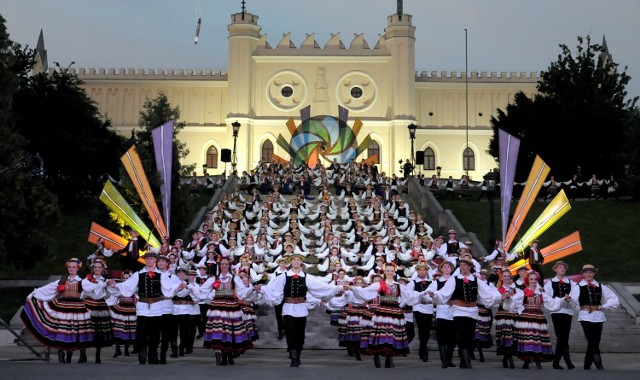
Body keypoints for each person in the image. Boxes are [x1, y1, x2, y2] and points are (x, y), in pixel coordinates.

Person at [253, 253, 342, 367]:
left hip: (301, 308)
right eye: (294, 260)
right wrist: (261, 289)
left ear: (301, 262)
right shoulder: (284, 276)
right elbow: (273, 288)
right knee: (290, 333)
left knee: (300, 335)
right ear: (291, 262)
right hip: (288, 308)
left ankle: (297, 354)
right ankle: (293, 358)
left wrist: (338, 288)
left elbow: (320, 287)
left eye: (298, 260)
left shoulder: (306, 277)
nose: (296, 261)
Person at [107, 252, 185, 365]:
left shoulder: (161, 275)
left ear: (155, 260)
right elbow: (127, 286)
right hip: (142, 308)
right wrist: (116, 285)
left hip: (157, 308)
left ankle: (152, 354)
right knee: (142, 334)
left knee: (155, 335)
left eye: (151, 258)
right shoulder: (138, 274)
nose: (149, 260)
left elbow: (169, 287)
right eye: (147, 258)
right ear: (145, 260)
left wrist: (178, 287)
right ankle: (142, 355)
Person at [428, 254, 501, 368]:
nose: (462, 267)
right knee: (462, 333)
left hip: (472, 310)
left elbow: (487, 292)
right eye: (461, 265)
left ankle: (463, 361)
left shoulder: (476, 280)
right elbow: (445, 291)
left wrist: (497, 296)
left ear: (469, 267)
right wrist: (435, 294)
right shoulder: (454, 279)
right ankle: (467, 362)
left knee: (469, 335)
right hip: (458, 310)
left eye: (464, 265)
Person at [21, 258, 94, 363]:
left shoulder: (82, 282)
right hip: (63, 308)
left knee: (76, 331)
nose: (71, 269)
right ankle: (61, 352)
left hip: (77, 309)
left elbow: (93, 289)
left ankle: (78, 354)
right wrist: (34, 294)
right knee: (62, 330)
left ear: (78, 268)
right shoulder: (62, 280)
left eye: (73, 267)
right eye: (69, 267)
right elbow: (47, 289)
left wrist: (104, 284)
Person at [345, 262, 416, 368]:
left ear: (394, 272)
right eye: (388, 271)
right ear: (384, 271)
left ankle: (389, 357)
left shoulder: (399, 286)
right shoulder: (379, 284)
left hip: (395, 313)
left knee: (392, 335)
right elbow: (365, 291)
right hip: (382, 312)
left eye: (392, 271)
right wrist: (352, 288)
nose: (390, 273)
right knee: (382, 335)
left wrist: (425, 295)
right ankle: (377, 355)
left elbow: (410, 296)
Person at [196, 256, 254, 365]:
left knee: (230, 331)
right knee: (218, 331)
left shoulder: (234, 277)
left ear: (229, 265)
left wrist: (252, 289)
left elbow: (242, 291)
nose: (224, 266)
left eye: (226, 264)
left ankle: (228, 355)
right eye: (222, 264)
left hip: (231, 307)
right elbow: (203, 289)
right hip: (217, 307)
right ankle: (219, 357)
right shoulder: (214, 278)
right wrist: (190, 288)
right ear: (219, 265)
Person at [569, 264, 620, 370]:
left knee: (595, 341)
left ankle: (587, 364)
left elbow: (614, 299)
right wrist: (580, 307)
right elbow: (573, 300)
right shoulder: (577, 287)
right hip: (585, 316)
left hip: (598, 316)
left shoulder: (600, 286)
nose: (588, 274)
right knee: (592, 340)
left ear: (594, 273)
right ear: (583, 274)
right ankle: (598, 364)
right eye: (586, 272)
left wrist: (603, 306)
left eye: (591, 272)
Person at [514, 270, 560, 369]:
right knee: (528, 338)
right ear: (527, 280)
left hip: (538, 317)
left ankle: (536, 360)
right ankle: (527, 360)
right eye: (531, 279)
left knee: (537, 339)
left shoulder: (541, 292)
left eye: (535, 279)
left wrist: (562, 299)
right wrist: (507, 299)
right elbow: (514, 302)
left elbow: (551, 303)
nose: (534, 281)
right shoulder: (523, 292)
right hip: (526, 317)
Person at [543, 261, 577, 369]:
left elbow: (575, 294)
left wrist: (569, 299)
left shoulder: (571, 283)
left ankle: (556, 362)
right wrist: (559, 301)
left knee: (564, 337)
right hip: (557, 311)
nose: (562, 269)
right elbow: (546, 297)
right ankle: (568, 362)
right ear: (556, 269)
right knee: (561, 337)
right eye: (560, 267)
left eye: (563, 268)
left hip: (567, 311)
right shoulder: (550, 283)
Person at [82, 259, 113, 363]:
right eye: (95, 267)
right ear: (92, 268)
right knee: (85, 329)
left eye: (99, 267)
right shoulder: (87, 279)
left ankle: (97, 355)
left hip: (100, 305)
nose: (97, 269)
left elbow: (111, 291)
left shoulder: (105, 279)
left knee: (99, 330)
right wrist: (102, 285)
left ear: (103, 269)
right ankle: (83, 355)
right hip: (89, 304)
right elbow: (87, 290)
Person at [494, 268, 522, 369]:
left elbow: (519, 301)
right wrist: (502, 297)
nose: (506, 278)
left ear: (511, 278)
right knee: (504, 336)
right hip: (502, 315)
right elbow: (494, 301)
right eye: (505, 276)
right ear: (501, 278)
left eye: (508, 276)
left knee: (511, 336)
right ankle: (508, 359)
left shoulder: (515, 290)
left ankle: (507, 358)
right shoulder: (498, 289)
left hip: (512, 314)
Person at [108, 270, 136, 359]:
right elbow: (113, 295)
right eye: (124, 278)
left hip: (131, 310)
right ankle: (117, 349)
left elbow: (137, 298)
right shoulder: (119, 287)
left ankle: (126, 349)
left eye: (127, 278)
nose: (125, 280)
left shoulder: (134, 288)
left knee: (129, 330)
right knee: (118, 329)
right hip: (121, 309)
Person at [410, 261, 434, 362]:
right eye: (420, 270)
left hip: (428, 308)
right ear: (417, 271)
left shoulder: (431, 282)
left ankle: (422, 346)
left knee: (427, 330)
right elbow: (410, 294)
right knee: (422, 327)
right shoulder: (413, 282)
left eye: (424, 270)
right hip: (418, 307)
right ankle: (424, 350)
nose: (422, 272)